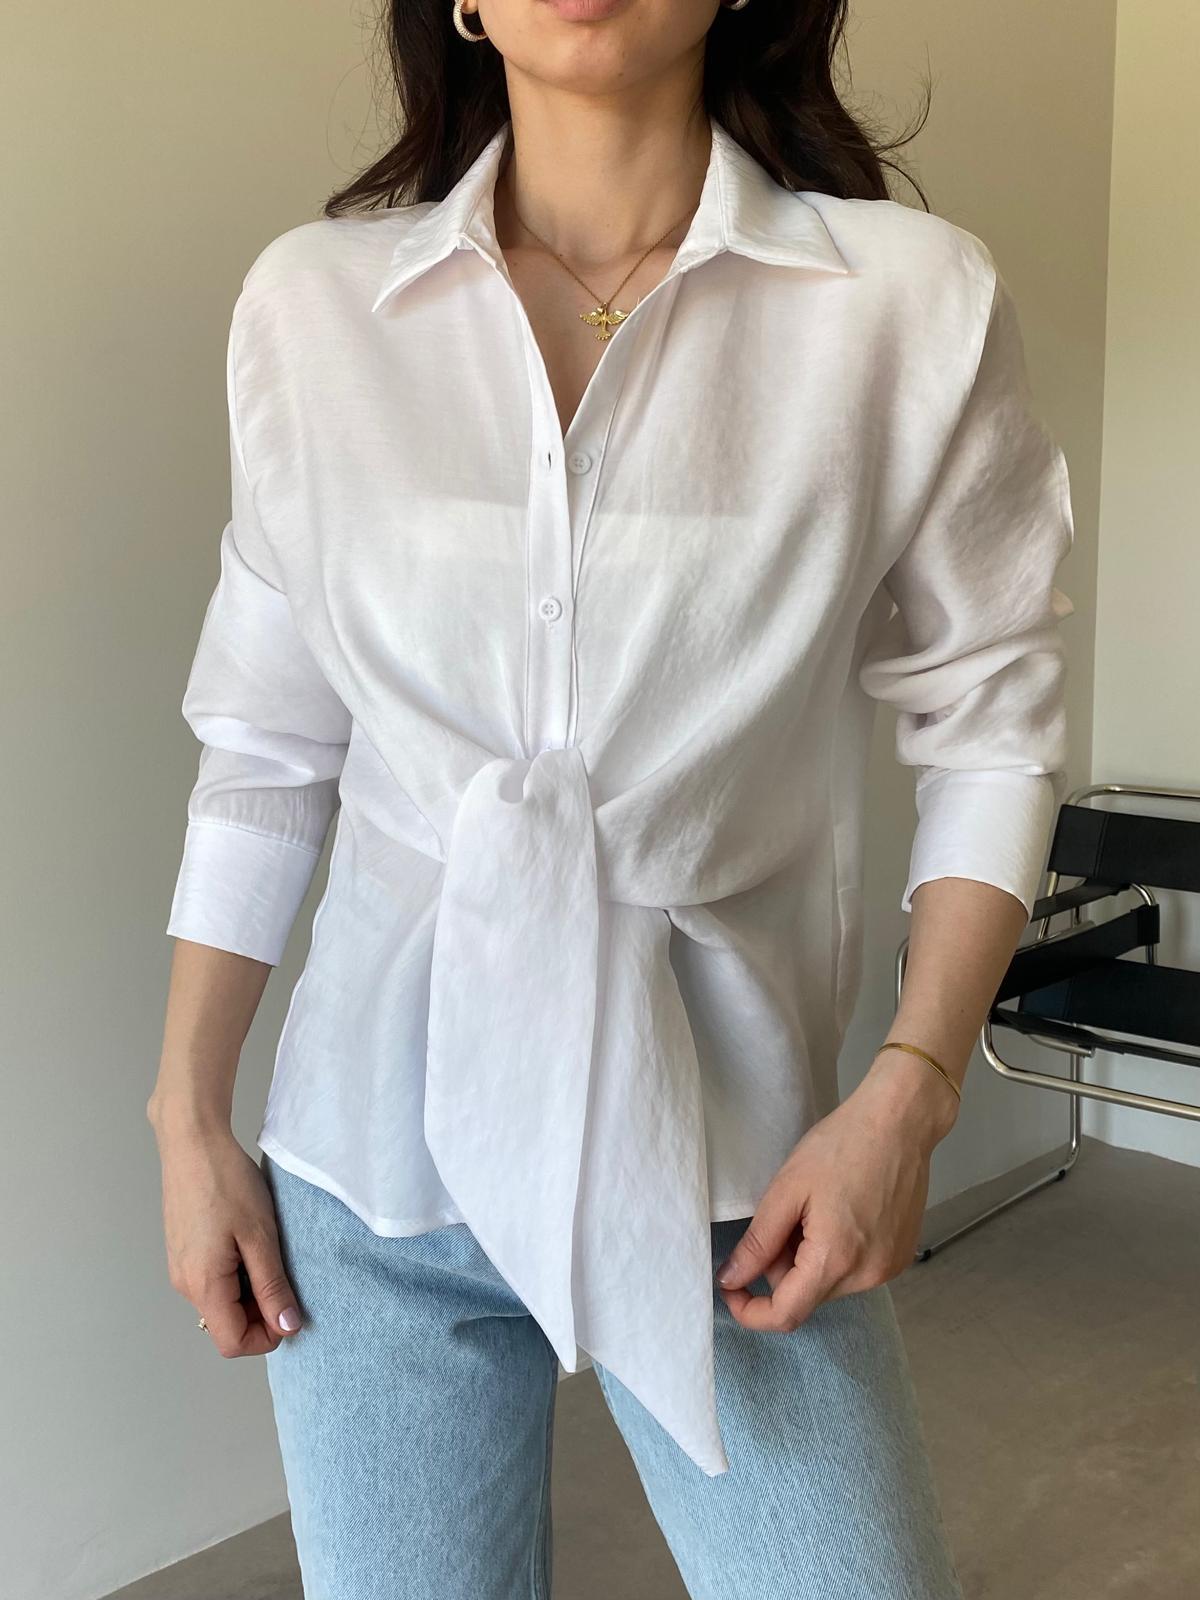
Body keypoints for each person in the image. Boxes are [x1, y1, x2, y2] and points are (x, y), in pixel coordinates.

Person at [148, 2, 1075, 1595]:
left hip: (740, 1183)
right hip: (372, 1182)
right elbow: (265, 751)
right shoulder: (316, 309)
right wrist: (188, 1117)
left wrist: (911, 1095)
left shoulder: (902, 308)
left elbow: (991, 730)